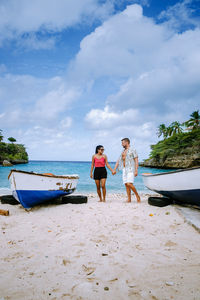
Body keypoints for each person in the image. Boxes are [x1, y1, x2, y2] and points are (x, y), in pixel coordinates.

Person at [113, 138, 141, 203]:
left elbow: (136, 160)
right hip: (124, 169)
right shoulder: (123, 151)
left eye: (122, 143)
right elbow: (118, 161)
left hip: (131, 168)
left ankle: (137, 196)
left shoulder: (133, 150)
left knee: (129, 183)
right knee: (126, 184)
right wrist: (114, 169)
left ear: (127, 142)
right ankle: (129, 199)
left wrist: (136, 170)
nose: (121, 144)